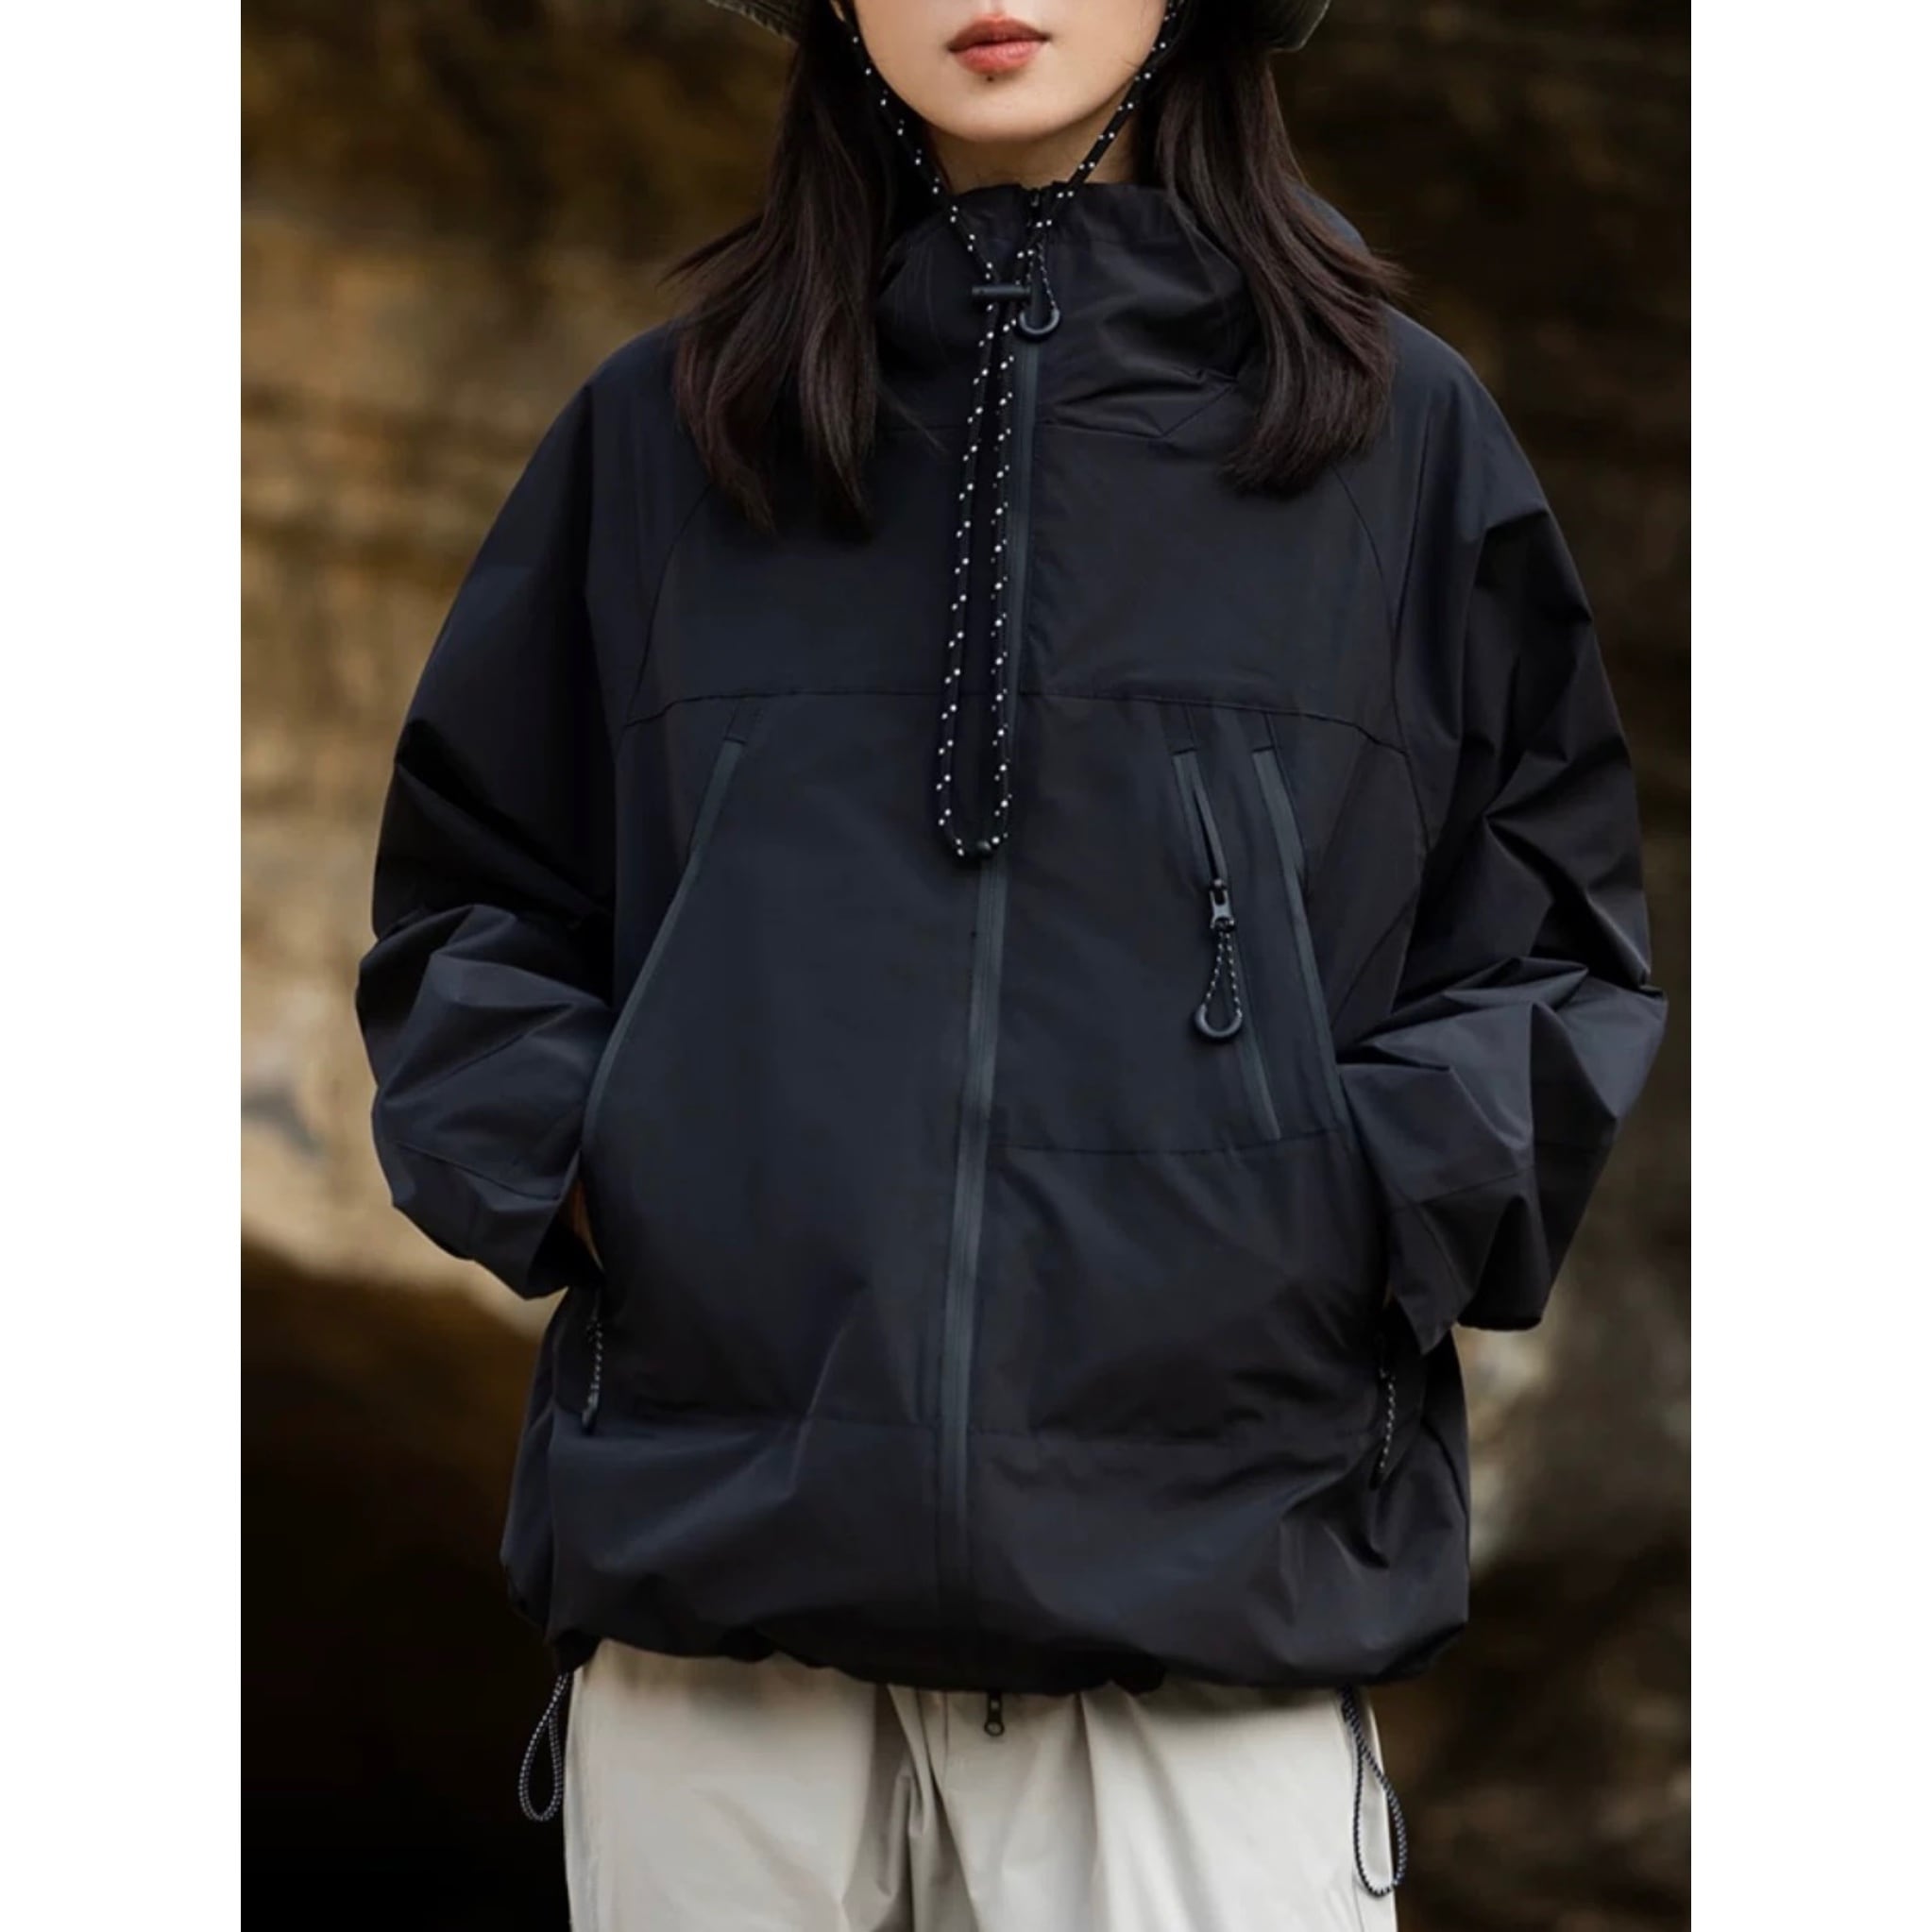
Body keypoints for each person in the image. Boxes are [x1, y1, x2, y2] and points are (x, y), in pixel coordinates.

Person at [352, 1, 1668, 1925]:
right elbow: (466, 910)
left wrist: (1330, 1215)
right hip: (722, 1610)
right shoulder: (662, 430)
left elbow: (1549, 945)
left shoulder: (1400, 434)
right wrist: (602, 1167)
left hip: (1210, 1603)